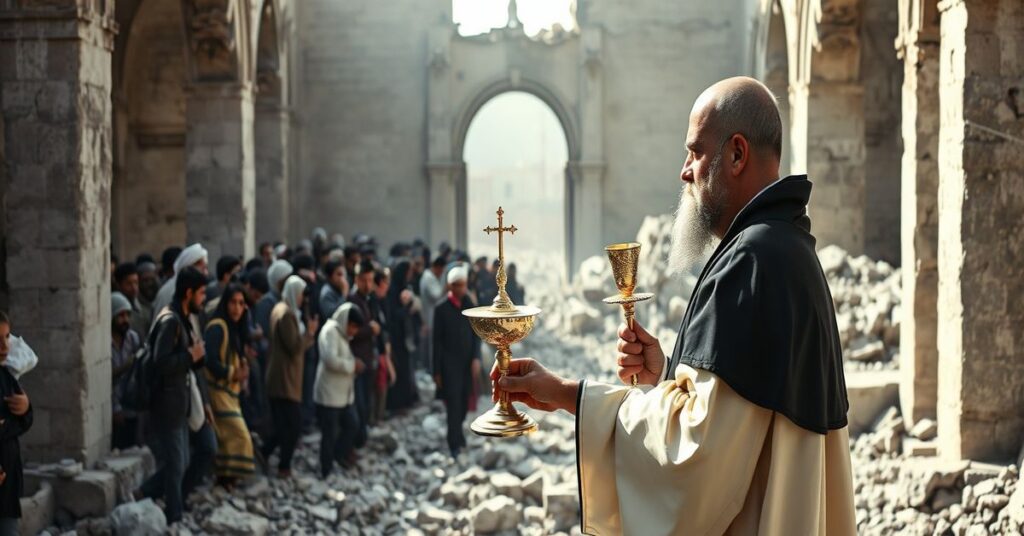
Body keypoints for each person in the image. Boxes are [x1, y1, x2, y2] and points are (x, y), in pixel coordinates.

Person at [492, 77, 856, 535]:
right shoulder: (787, 248)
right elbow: (743, 418)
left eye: (696, 152)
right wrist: (668, 374)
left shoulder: (751, 263)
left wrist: (570, 394)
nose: (685, 171)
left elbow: (696, 462)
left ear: (737, 154)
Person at [140, 267, 207, 524]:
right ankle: (173, 515)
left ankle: (149, 495)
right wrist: (191, 355)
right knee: (177, 463)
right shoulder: (170, 320)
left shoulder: (183, 317)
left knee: (182, 460)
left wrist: (195, 356)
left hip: (179, 403)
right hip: (167, 404)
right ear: (188, 293)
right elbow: (161, 362)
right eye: (200, 293)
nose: (203, 298)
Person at [262, 276, 318, 478]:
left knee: (283, 425)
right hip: (284, 379)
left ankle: (264, 454)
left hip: (285, 378)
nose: (304, 299)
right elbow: (294, 347)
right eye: (302, 294)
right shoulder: (286, 314)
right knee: (292, 426)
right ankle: (282, 465)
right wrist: (310, 334)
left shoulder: (284, 310)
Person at [204, 284, 256, 488]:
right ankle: (225, 478)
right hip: (217, 392)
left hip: (229, 393)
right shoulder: (218, 326)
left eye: (241, 303)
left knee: (229, 437)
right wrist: (234, 373)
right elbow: (210, 360)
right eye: (233, 303)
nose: (237, 308)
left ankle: (227, 480)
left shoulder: (234, 329)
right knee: (238, 435)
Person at [432, 266, 480, 457]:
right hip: (449, 365)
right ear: (450, 286)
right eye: (458, 285)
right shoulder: (441, 309)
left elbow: (477, 334)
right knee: (453, 404)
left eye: (464, 285)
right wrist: (436, 370)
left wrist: (476, 358)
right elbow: (436, 342)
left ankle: (458, 434)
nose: (462, 289)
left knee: (463, 403)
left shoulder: (470, 304)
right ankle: (454, 443)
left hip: (467, 363)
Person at [314, 303, 365, 477]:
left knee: (352, 424)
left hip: (343, 395)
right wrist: (352, 365)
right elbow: (330, 360)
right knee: (328, 433)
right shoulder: (330, 332)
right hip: (329, 394)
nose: (354, 331)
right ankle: (325, 470)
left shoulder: (342, 334)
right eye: (353, 326)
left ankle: (338, 455)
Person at [0, 313, 32, 536]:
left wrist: (26, 408)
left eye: (7, 337)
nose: (4, 346)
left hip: (7, 486)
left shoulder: (5, 375)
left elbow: (23, 422)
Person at [347, 261, 381, 441]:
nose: (368, 285)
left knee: (366, 404)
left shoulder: (368, 299)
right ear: (356, 279)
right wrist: (371, 328)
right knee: (358, 405)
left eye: (370, 280)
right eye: (364, 280)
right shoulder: (351, 301)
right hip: (356, 361)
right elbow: (351, 332)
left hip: (368, 360)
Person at [385, 261, 419, 413]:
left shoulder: (405, 288)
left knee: (407, 370)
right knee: (399, 369)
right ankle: (397, 403)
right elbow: (393, 315)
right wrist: (405, 307)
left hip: (405, 337)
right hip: (396, 337)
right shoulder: (392, 291)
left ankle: (407, 399)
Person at [111, 292, 142, 450]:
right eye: (120, 315)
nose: (125, 320)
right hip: (112, 405)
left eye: (127, 315)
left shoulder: (132, 339)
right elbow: (106, 381)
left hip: (131, 405)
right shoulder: (105, 342)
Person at [152, 244, 209, 327]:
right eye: (202, 268)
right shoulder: (168, 291)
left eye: (206, 268)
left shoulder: (198, 289)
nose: (206, 273)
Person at [371, 269, 396, 422]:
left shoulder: (382, 301)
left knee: (383, 384)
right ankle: (374, 418)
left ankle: (379, 416)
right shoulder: (372, 301)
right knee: (377, 387)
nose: (388, 286)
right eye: (386, 282)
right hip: (376, 350)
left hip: (383, 349)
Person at [419, 256, 447, 374]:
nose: (441, 274)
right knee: (431, 347)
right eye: (441, 271)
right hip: (429, 317)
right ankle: (431, 371)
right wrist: (447, 288)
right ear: (437, 267)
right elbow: (437, 296)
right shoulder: (428, 278)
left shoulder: (431, 277)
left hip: (431, 317)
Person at [114, 262, 151, 337]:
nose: (134, 288)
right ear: (118, 285)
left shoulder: (146, 311)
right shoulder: (113, 312)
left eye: (136, 283)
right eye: (129, 284)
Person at [137, 261, 160, 332]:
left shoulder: (160, 300)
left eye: (152, 279)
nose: (149, 284)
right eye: (145, 280)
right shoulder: (137, 308)